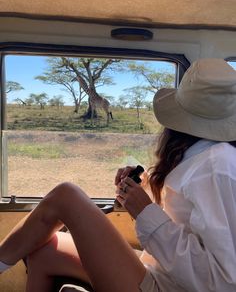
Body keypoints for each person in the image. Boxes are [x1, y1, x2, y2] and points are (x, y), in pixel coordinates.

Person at [1, 58, 236, 292]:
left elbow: (223, 282)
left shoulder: (218, 165)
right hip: (161, 271)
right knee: (45, 251)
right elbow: (188, 224)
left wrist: (146, 212)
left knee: (66, 196)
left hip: (168, 286)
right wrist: (140, 192)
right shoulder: (201, 156)